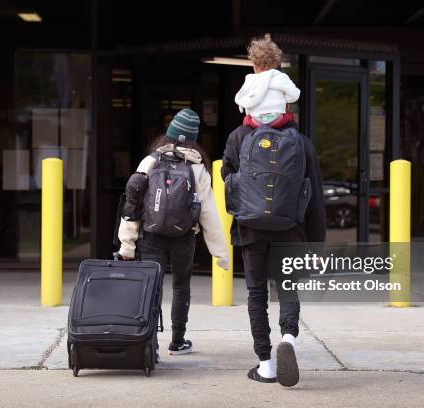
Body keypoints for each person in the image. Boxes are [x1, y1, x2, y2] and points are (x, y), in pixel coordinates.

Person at [222, 35, 326, 387]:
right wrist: (315, 241)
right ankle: (289, 339)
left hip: (251, 227)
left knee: (255, 293)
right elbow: (314, 193)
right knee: (287, 288)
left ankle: (265, 364)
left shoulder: (239, 137)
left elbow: (227, 177)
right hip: (290, 227)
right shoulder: (300, 141)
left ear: (252, 65)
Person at [118, 108, 230, 356]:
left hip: (152, 236)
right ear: (193, 139)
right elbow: (208, 213)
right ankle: (178, 341)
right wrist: (220, 254)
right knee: (181, 286)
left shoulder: (150, 162)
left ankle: (149, 343)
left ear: (169, 134)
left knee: (151, 287)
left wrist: (127, 244)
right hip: (183, 237)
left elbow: (133, 204)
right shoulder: (198, 168)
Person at [235, 33, 300, 127]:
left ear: (255, 65)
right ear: (275, 63)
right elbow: (295, 95)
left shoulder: (251, 79)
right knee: (289, 116)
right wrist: (283, 98)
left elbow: (241, 97)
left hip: (255, 122)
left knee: (246, 120)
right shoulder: (281, 77)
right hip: (277, 120)